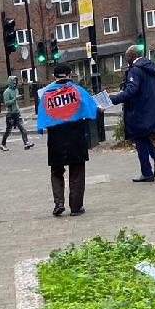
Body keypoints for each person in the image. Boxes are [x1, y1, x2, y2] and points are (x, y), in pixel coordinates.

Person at [37, 64, 98, 217]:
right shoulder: (77, 90)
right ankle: (76, 207)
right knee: (77, 171)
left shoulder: (46, 95)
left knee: (56, 170)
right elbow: (91, 108)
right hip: (75, 135)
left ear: (54, 77)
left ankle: (58, 202)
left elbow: (41, 116)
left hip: (56, 137)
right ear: (70, 75)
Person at [110, 45, 155, 182]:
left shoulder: (135, 70)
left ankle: (147, 172)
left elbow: (131, 90)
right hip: (151, 108)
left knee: (140, 138)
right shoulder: (151, 68)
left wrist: (112, 99)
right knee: (143, 137)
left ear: (130, 56)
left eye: (126, 57)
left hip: (139, 110)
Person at [1, 75, 34, 151]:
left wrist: (17, 99)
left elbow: (15, 101)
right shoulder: (6, 92)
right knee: (8, 130)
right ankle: (3, 144)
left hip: (17, 112)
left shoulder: (16, 90)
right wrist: (15, 99)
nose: (15, 82)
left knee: (23, 129)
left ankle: (26, 143)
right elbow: (6, 103)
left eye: (15, 81)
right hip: (10, 114)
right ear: (10, 82)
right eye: (13, 81)